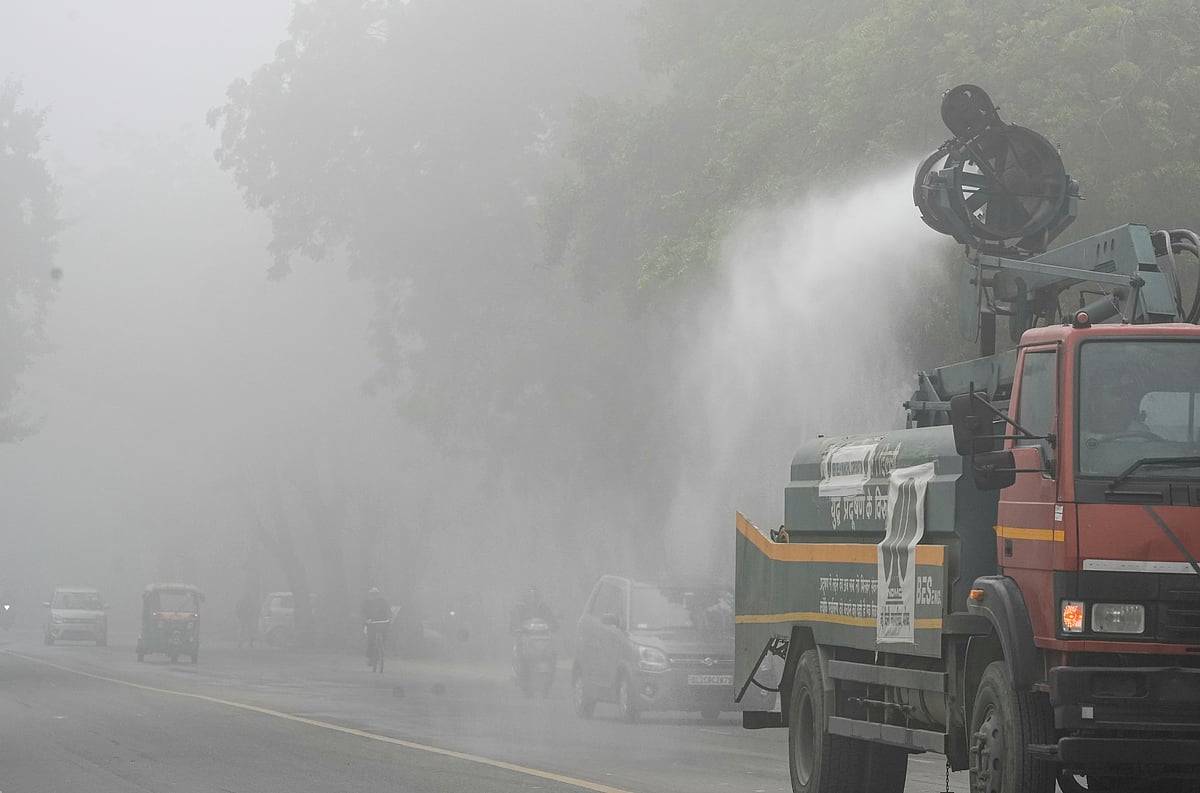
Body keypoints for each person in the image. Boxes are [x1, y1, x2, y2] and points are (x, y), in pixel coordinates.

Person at [361, 587, 391, 664]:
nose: (374, 596)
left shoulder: (383, 602)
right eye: (372, 594)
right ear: (370, 595)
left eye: (376, 594)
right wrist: (366, 620)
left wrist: (388, 618)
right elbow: (363, 613)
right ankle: (370, 657)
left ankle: (380, 653)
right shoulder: (367, 603)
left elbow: (388, 610)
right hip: (371, 624)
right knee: (371, 640)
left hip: (382, 623)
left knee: (384, 638)